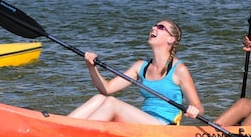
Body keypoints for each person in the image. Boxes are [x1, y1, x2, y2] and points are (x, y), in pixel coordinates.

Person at [67, 19, 203, 124]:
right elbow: (107, 89)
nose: (154, 28)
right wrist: (91, 67)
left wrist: (194, 110)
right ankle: (61, 126)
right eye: (154, 25)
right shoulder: (141, 66)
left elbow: (198, 106)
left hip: (163, 125)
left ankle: (75, 133)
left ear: (171, 39)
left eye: (161, 27)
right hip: (142, 121)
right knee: (99, 98)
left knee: (112, 103)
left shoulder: (179, 70)